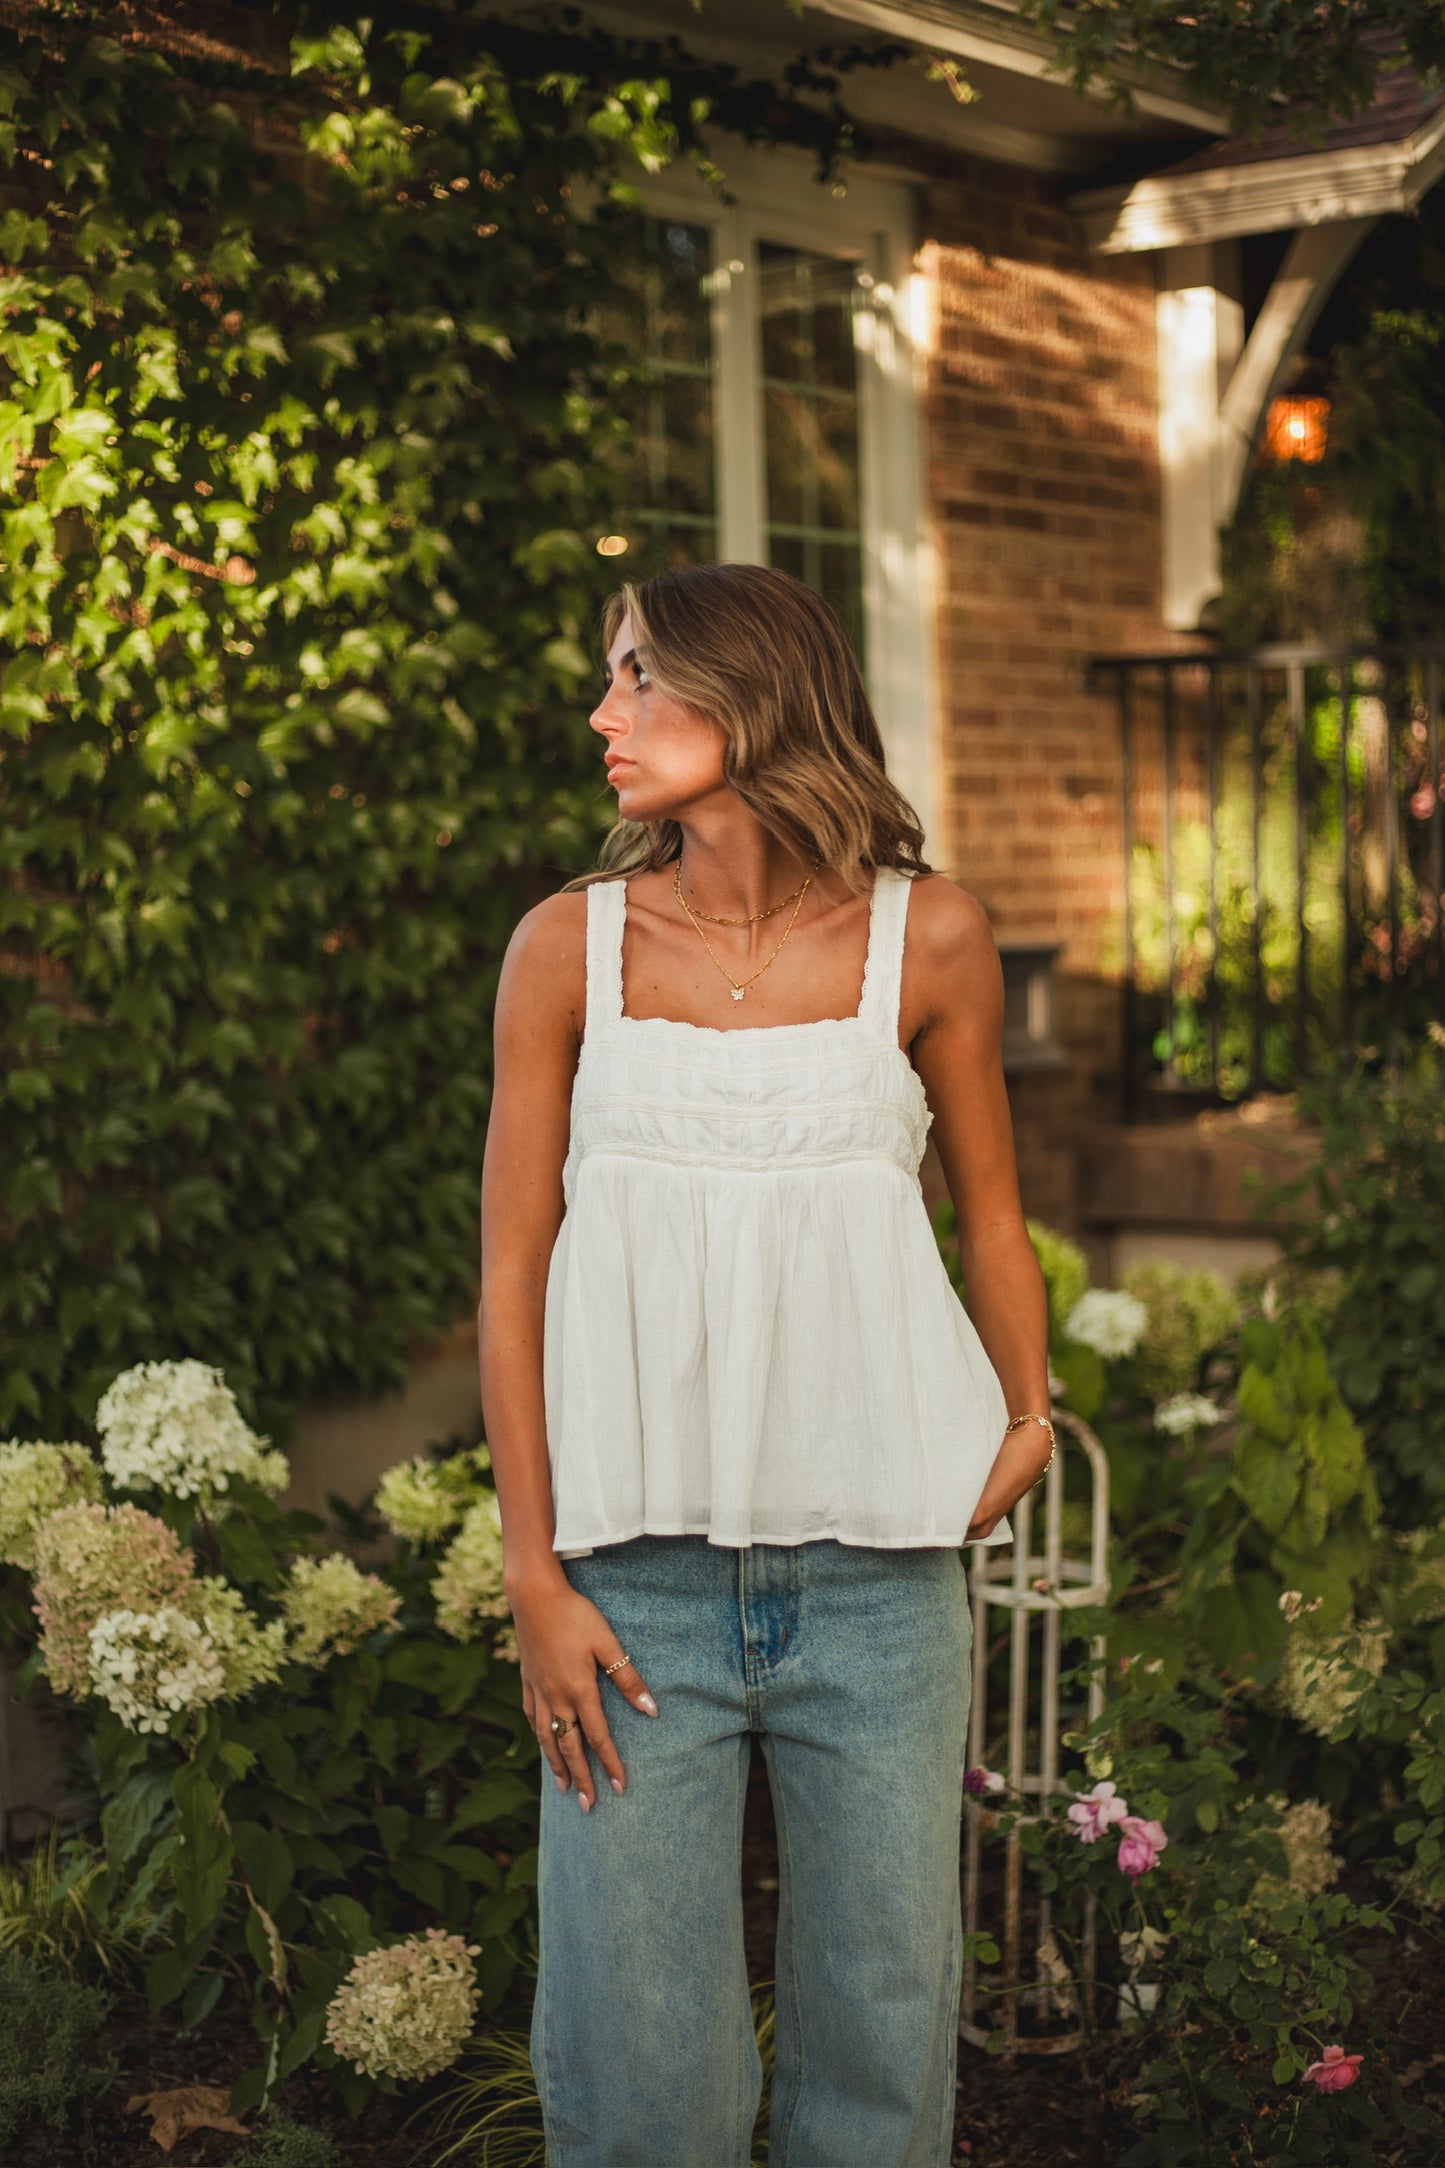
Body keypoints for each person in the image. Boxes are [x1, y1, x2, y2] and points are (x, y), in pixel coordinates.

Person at [479, 562, 1053, 2168]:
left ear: (757, 690)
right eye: (609, 676)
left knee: (879, 2062)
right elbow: (509, 1275)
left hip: (881, 1590)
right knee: (640, 2078)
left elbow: (992, 1214)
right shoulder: (564, 950)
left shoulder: (926, 941)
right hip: (629, 1592)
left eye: (642, 674)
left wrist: (1028, 1407)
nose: (606, 712)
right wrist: (533, 1568)